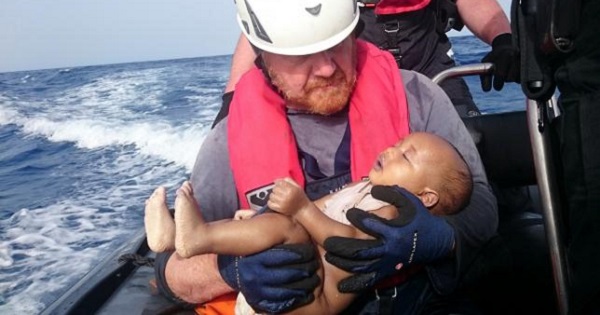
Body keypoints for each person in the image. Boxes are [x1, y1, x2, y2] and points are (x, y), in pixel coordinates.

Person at [151, 0, 497, 314]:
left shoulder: (420, 98)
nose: (327, 69)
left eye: (336, 47)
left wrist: (435, 236)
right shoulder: (226, 141)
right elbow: (173, 267)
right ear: (263, 56)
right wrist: (230, 270)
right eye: (303, 57)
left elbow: (481, 207)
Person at [146, 132, 473, 314]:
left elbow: (350, 244)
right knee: (279, 225)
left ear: (426, 197)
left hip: (311, 300)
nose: (390, 149)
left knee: (288, 229)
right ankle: (178, 238)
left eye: (405, 156)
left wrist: (301, 210)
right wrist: (262, 218)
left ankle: (195, 235)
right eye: (398, 143)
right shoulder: (364, 188)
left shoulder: (394, 215)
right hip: (276, 283)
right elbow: (321, 207)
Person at [221, 0, 519, 119]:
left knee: (472, 140)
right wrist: (232, 98)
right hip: (356, 76)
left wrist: (503, 40)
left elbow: (475, 2)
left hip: (431, 68)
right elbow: (262, 29)